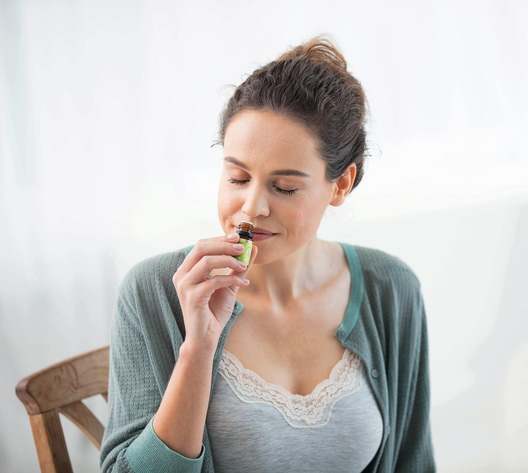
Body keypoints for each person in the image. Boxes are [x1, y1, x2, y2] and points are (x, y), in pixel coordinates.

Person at [100, 37, 434, 473]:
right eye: (238, 178)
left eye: (285, 187)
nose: (252, 207)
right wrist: (198, 349)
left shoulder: (391, 287)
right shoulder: (154, 291)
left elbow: (414, 462)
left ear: (341, 185)